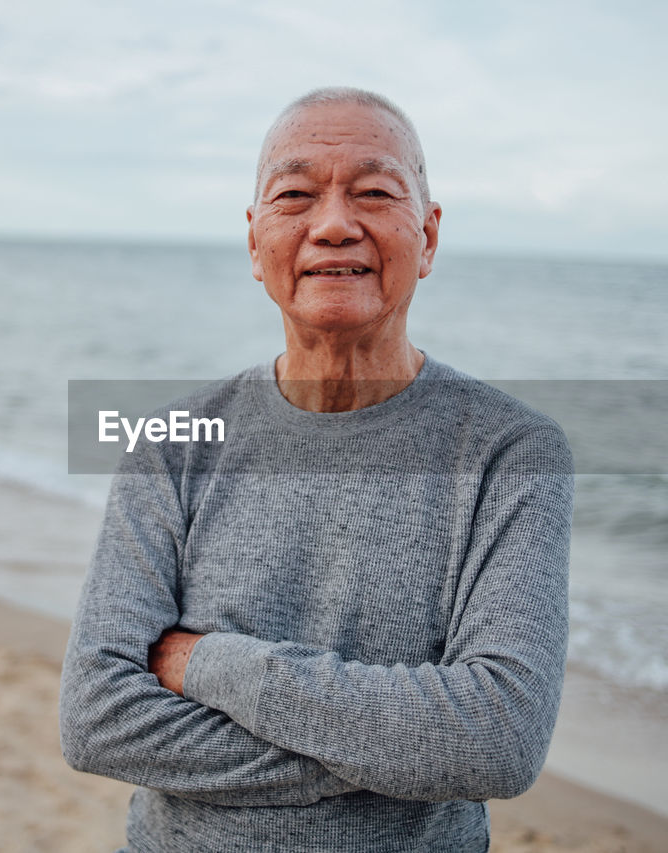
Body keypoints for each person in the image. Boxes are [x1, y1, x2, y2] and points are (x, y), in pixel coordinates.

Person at [60, 87, 573, 852]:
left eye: (374, 192)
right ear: (255, 240)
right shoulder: (170, 444)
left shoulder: (511, 453)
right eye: (295, 196)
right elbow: (98, 718)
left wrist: (209, 662)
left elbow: (497, 738)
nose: (333, 225)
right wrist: (402, 748)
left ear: (428, 239)